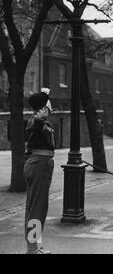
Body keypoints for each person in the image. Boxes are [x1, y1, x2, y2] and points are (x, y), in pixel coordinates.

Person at [24, 88, 55, 254]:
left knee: (35, 206)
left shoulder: (39, 121)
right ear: (41, 108)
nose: (49, 108)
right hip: (39, 165)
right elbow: (40, 116)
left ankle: (33, 246)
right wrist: (46, 99)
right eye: (46, 106)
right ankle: (32, 248)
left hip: (39, 164)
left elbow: (42, 116)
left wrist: (45, 100)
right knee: (38, 207)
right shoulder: (36, 120)